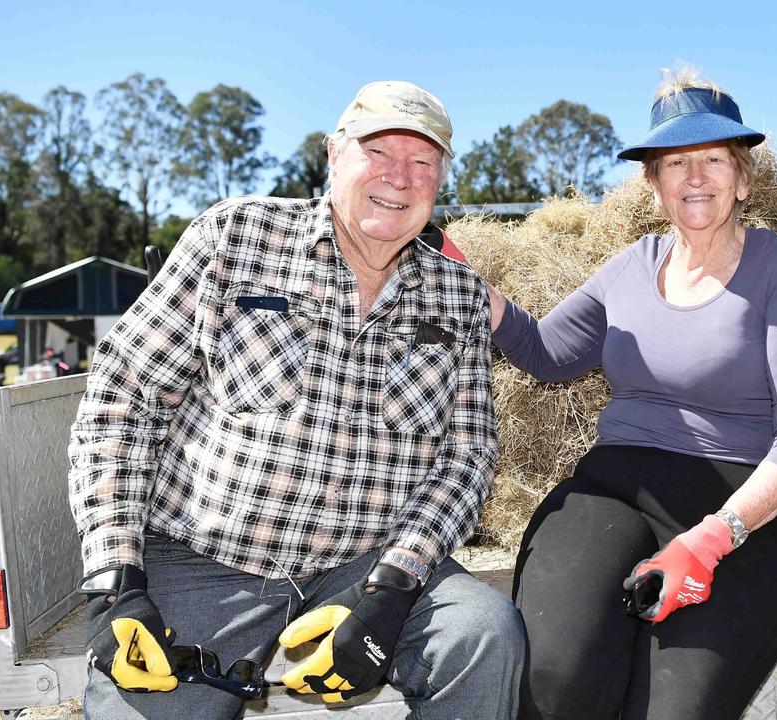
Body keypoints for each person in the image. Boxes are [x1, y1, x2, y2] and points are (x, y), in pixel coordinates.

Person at [68, 80, 524, 720]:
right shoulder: (235, 239)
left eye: (422, 161)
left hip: (363, 565)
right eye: (379, 152)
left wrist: (392, 591)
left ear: (440, 178)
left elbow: (467, 457)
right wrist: (115, 581)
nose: (400, 177)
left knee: (483, 634)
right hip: (205, 560)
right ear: (334, 154)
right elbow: (124, 401)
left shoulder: (459, 295)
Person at [485, 67, 777, 719]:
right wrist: (482, 297)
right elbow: (549, 354)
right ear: (653, 183)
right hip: (613, 490)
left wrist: (713, 536)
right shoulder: (631, 266)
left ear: (743, 178)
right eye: (675, 162)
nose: (695, 177)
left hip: (740, 514)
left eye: (712, 159)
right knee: (553, 681)